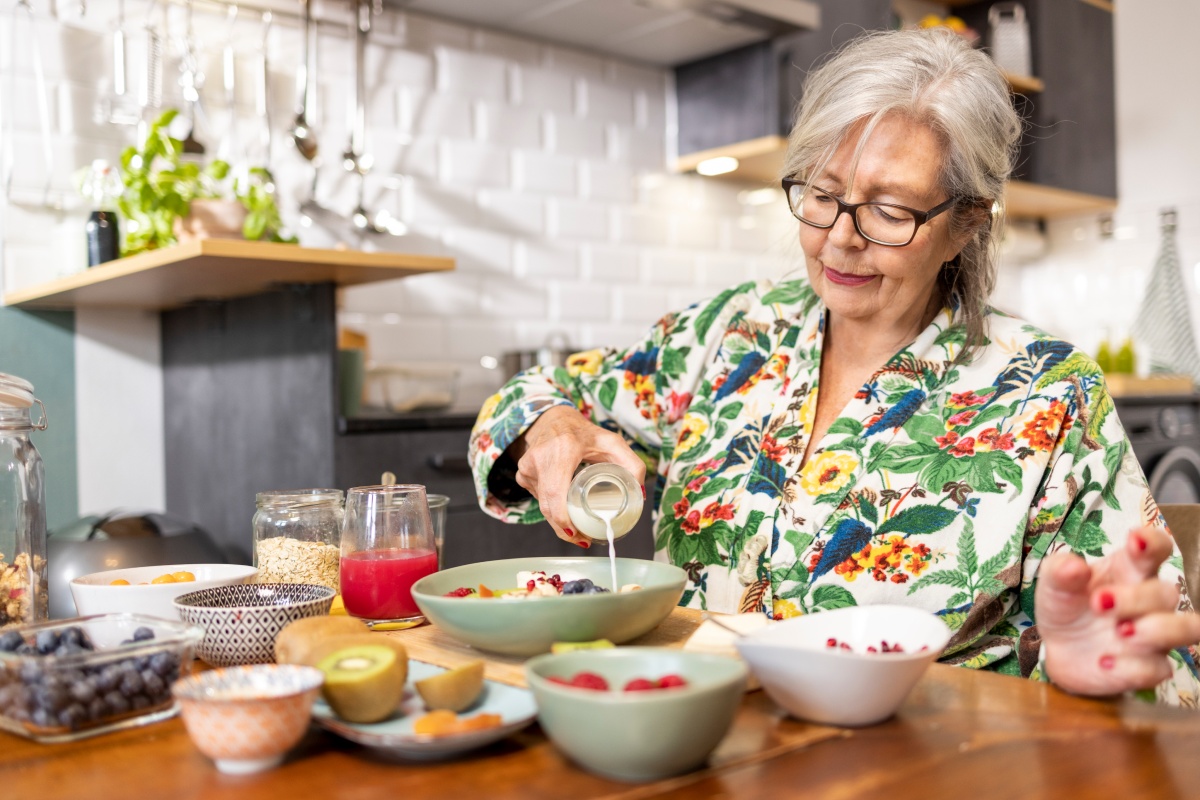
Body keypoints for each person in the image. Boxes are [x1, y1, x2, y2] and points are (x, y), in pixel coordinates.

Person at [468, 28, 1200, 703]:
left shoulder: (1049, 393)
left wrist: (1087, 684)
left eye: (889, 211)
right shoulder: (728, 333)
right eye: (821, 195)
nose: (839, 241)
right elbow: (538, 394)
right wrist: (549, 425)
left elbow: (1169, 671)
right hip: (683, 746)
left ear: (967, 222)